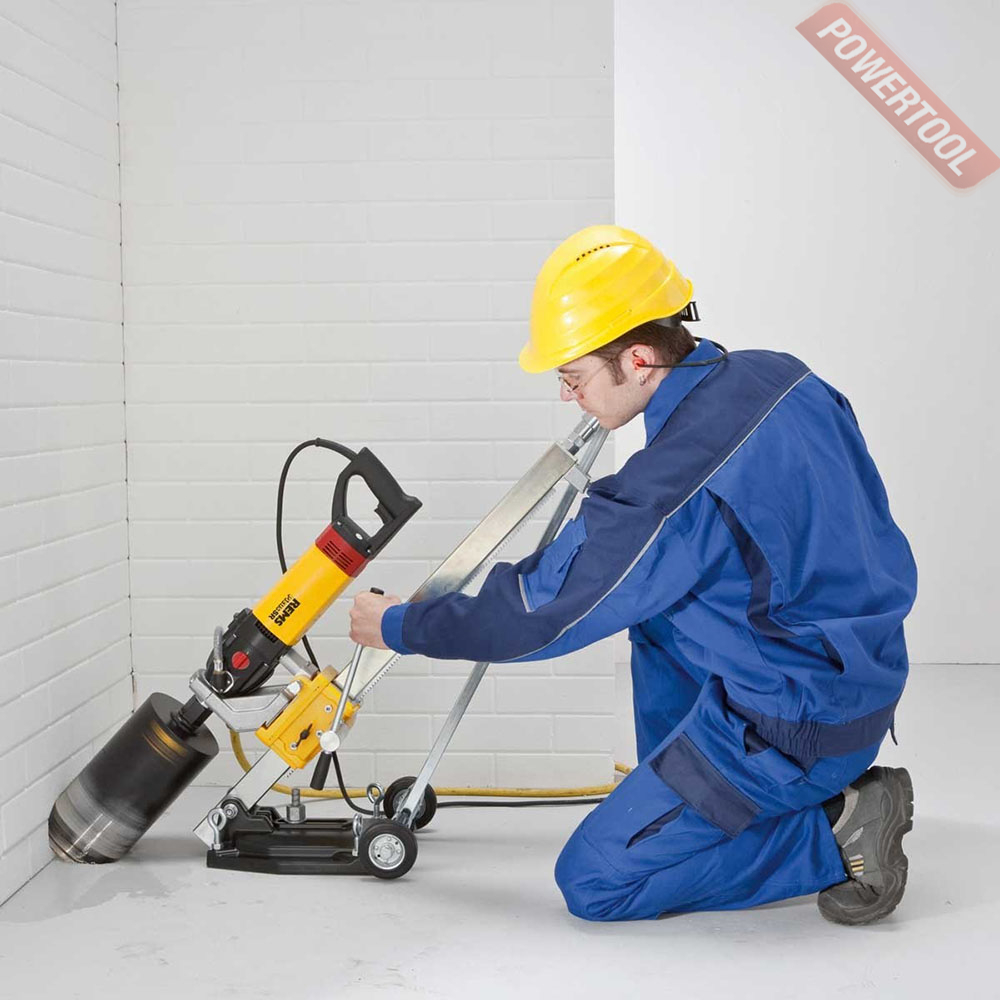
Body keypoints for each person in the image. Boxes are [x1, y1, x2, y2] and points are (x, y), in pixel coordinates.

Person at [349, 224, 917, 926]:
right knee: (655, 613)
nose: (568, 396)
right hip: (860, 672)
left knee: (594, 883)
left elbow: (540, 614)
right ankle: (690, 797)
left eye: (574, 377)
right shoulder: (784, 375)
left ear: (639, 360)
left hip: (794, 729)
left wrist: (401, 626)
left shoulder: (671, 484)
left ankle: (837, 831)